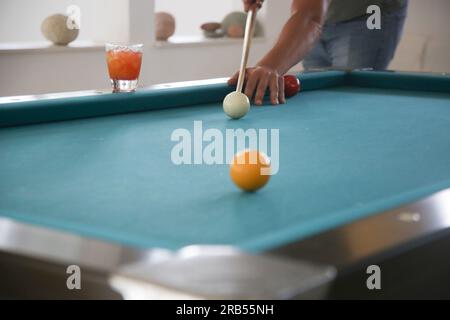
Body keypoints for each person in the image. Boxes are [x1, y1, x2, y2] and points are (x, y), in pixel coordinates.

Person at [228, 0, 408, 105]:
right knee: (321, 98)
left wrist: (268, 66)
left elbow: (311, 18)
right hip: (324, 14)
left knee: (350, 100)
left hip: (369, 13)